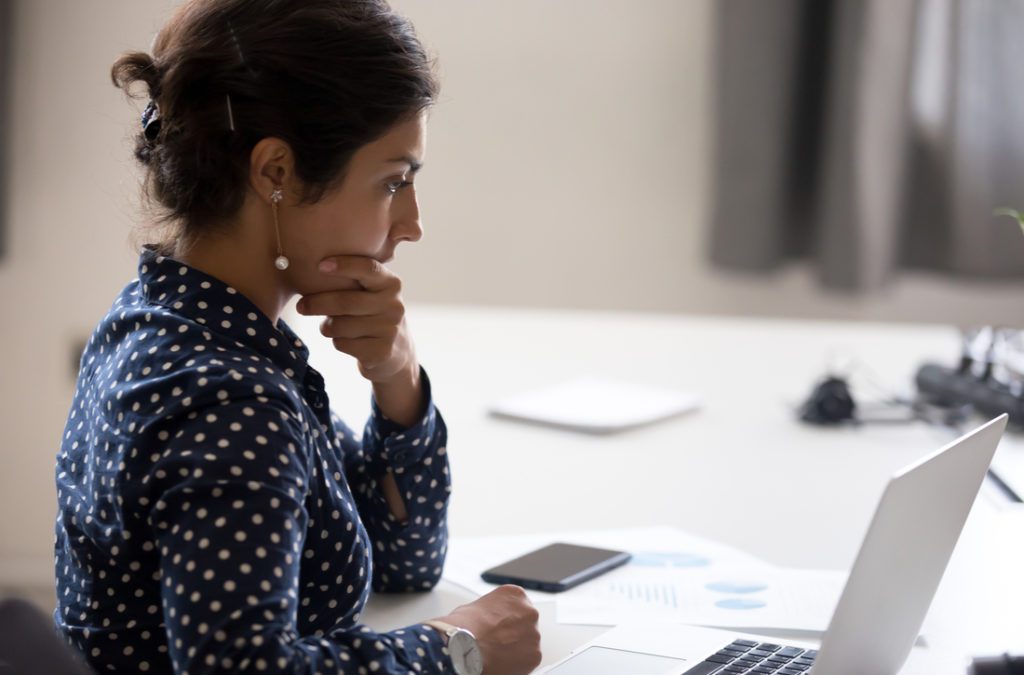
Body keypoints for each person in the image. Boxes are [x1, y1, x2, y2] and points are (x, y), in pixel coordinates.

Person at [53, 1, 542, 673]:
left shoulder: (166, 315)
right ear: (275, 172)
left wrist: (397, 377)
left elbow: (405, 561)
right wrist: (459, 648)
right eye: (393, 181)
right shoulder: (231, 403)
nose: (412, 223)